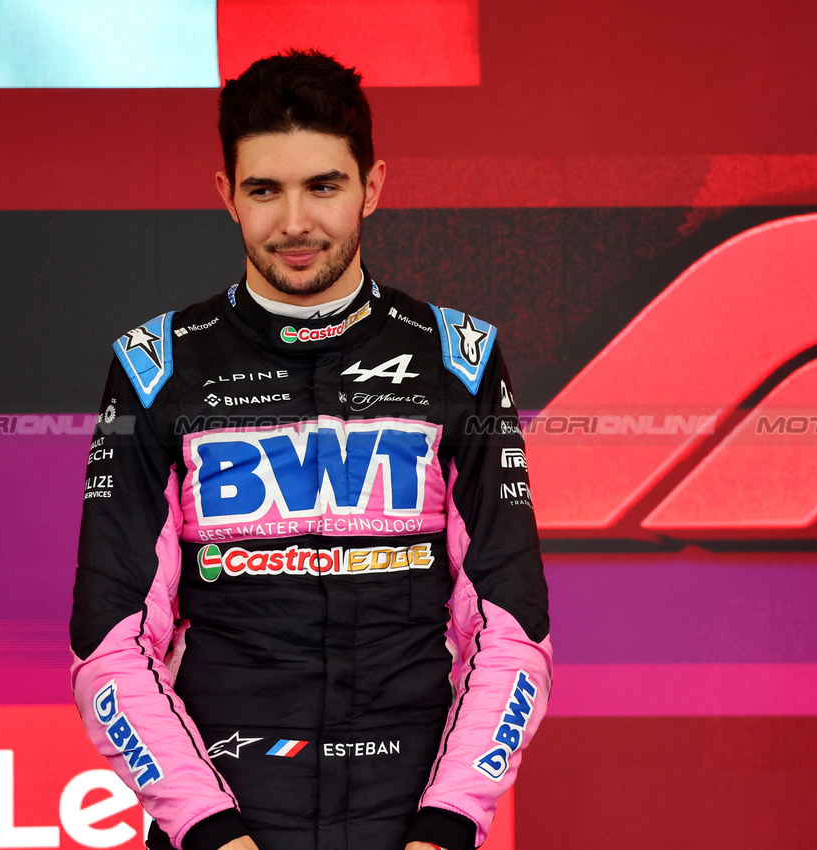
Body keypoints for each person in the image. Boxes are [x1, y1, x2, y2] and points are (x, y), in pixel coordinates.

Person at [70, 50, 551, 850]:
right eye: (265, 189)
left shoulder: (457, 357)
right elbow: (108, 642)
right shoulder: (156, 365)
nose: (294, 221)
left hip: (414, 814)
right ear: (227, 195)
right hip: (223, 817)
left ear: (372, 185)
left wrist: (450, 821)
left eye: (322, 185)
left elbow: (509, 626)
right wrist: (207, 828)